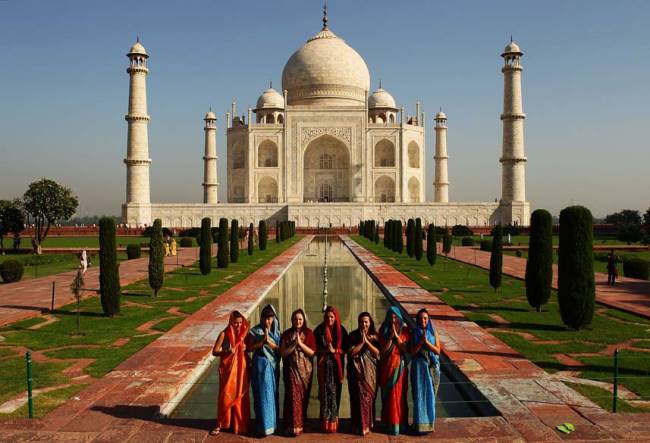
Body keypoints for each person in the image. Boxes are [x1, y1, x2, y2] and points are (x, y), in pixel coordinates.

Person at [211, 311, 251, 436]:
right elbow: (215, 351)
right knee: (225, 396)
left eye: (240, 323)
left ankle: (238, 424)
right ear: (231, 322)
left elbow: (250, 348)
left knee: (240, 396)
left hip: (240, 371)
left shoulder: (244, 335)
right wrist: (228, 351)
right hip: (228, 371)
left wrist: (246, 348)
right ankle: (221, 424)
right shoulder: (224, 334)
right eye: (236, 323)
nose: (238, 325)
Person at [246, 305, 281, 436]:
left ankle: (273, 424)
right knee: (262, 395)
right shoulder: (255, 331)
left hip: (272, 366)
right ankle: (263, 426)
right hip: (260, 365)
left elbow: (279, 349)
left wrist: (269, 341)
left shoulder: (276, 332)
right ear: (261, 319)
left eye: (270, 318)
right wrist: (262, 341)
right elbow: (249, 348)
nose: (268, 321)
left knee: (272, 395)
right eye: (265, 318)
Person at [280, 308, 316, 436]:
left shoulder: (309, 333)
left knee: (303, 398)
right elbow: (283, 353)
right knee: (292, 397)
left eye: (300, 319)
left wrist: (300, 343)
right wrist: (294, 344)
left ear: (304, 320)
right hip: (291, 371)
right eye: (295, 319)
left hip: (305, 371)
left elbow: (312, 353)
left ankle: (302, 423)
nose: (298, 321)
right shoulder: (286, 334)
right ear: (292, 320)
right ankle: (292, 425)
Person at [313, 306, 348, 433]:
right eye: (327, 317)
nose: (329, 319)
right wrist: (326, 351)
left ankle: (334, 422)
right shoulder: (319, 330)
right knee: (324, 393)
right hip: (324, 367)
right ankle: (325, 422)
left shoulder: (341, 330)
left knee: (335, 393)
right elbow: (314, 349)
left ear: (336, 317)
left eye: (332, 317)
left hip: (336, 367)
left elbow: (346, 349)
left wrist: (336, 351)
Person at [378, 306, 410, 435]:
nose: (393, 320)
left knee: (399, 397)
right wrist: (390, 338)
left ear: (399, 318)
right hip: (386, 368)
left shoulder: (405, 332)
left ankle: (399, 424)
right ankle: (388, 424)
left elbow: (405, 349)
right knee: (388, 397)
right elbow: (382, 353)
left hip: (399, 369)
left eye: (395, 317)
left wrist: (397, 336)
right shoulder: (383, 331)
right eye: (391, 317)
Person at [347, 311, 380, 436]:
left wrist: (368, 342)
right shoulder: (353, 336)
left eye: (366, 322)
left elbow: (377, 353)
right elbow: (351, 353)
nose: (363, 324)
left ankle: (368, 424)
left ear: (370, 322)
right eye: (361, 322)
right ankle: (357, 424)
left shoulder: (375, 337)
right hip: (356, 374)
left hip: (370, 375)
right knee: (356, 399)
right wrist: (363, 342)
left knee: (368, 399)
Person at [409, 308, 442, 433]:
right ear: (417, 320)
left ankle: (430, 424)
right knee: (419, 395)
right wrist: (420, 343)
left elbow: (438, 351)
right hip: (418, 367)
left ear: (428, 320)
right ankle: (419, 424)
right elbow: (412, 352)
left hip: (431, 367)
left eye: (425, 318)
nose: (423, 320)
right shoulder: (414, 333)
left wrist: (426, 342)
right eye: (420, 318)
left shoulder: (434, 333)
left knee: (430, 396)